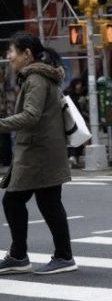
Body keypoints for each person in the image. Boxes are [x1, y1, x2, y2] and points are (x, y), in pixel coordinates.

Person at [0, 32, 77, 275]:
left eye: (12, 51)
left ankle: (28, 255)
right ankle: (25, 255)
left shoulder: (35, 79)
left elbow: (31, 115)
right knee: (45, 202)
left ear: (27, 54)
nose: (8, 56)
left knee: (15, 201)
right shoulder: (38, 76)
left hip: (39, 153)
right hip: (43, 150)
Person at [64, 78, 88, 168]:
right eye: (78, 84)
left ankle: (73, 157)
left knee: (75, 138)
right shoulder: (71, 94)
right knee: (75, 138)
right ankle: (73, 157)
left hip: (73, 119)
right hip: (73, 119)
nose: (79, 86)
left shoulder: (74, 93)